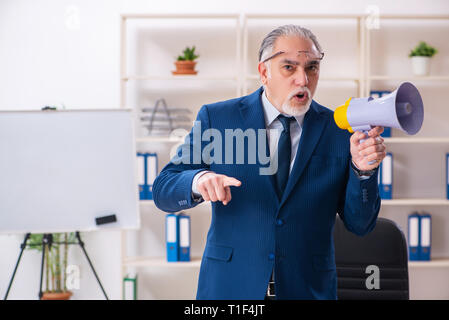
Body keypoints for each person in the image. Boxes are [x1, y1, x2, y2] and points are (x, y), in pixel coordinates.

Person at [153, 24, 386, 300]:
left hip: (308, 290)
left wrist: (363, 171)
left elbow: (361, 224)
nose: (303, 79)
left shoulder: (340, 131)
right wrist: (197, 180)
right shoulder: (219, 119)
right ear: (264, 72)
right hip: (230, 289)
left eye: (312, 67)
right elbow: (163, 189)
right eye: (289, 67)